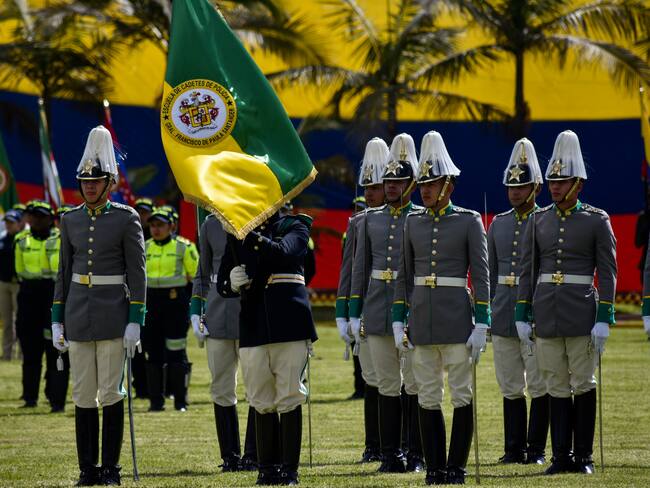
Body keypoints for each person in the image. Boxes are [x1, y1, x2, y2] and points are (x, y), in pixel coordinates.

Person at [515, 130, 617, 475]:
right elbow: (528, 270)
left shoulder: (596, 220)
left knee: (583, 383)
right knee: (555, 383)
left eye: (563, 181)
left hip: (580, 312)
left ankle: (583, 456)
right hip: (546, 311)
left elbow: (608, 270)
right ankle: (560, 456)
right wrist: (522, 312)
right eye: (553, 181)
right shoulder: (538, 219)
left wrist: (605, 316)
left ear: (578, 183)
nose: (555, 187)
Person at [392, 131, 489, 485]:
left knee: (461, 394)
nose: (425, 190)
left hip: (456, 321)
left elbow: (480, 274)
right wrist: (397, 320)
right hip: (422, 321)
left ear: (448, 184)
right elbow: (404, 275)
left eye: (432, 183)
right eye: (422, 184)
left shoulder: (468, 220)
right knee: (428, 395)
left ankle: (456, 468)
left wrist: (483, 322)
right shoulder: (412, 222)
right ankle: (434, 468)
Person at [51, 125, 146, 486]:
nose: (89, 187)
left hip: (112, 314)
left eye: (96, 181)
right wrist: (57, 319)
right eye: (85, 182)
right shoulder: (69, 219)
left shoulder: (126, 218)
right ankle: (87, 469)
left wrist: (135, 318)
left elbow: (138, 274)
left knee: (110, 392)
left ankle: (110, 468)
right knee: (82, 393)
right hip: (78, 313)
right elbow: (63, 273)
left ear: (109, 183)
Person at [217, 210, 318, 485]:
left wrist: (246, 235)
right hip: (253, 323)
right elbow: (223, 282)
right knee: (260, 399)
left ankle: (289, 469)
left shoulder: (295, 225)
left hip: (289, 321)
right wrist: (231, 282)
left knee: (289, 396)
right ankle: (267, 469)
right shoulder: (237, 232)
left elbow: (285, 253)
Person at [348, 133, 424, 473]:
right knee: (387, 383)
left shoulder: (423, 218)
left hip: (415, 308)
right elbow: (359, 270)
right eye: (388, 181)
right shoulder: (369, 219)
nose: (391, 186)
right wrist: (351, 312)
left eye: (398, 181)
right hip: (378, 308)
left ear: (411, 183)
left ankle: (417, 451)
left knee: (418, 382)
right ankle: (391, 454)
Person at [488, 138, 549, 465]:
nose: (514, 192)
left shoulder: (546, 221)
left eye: (521, 186)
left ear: (535, 187)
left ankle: (536, 449)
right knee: (510, 383)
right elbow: (492, 272)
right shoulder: (498, 223)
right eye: (510, 186)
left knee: (538, 383)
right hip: (502, 312)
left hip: (536, 311)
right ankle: (514, 447)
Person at [335, 138, 389, 463]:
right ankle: (373, 445)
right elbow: (348, 272)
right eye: (366, 186)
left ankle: (404, 444)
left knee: (400, 380)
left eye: (376, 186)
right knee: (370, 378)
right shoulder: (357, 223)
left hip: (395, 312)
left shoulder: (408, 219)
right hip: (366, 309)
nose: (369, 192)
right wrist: (344, 313)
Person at [191, 213, 257, 471]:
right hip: (218, 315)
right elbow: (203, 272)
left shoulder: (256, 217)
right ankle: (229, 455)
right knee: (221, 386)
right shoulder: (210, 224)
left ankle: (253, 453)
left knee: (256, 387)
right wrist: (196, 310)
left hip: (250, 313)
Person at [14, 200, 68, 411]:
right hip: (28, 298)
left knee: (55, 351)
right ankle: (29, 397)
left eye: (41, 216)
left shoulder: (60, 241)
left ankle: (56, 400)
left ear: (50, 219)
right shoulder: (20, 241)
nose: (37, 220)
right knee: (30, 352)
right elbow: (19, 271)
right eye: (33, 216)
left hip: (52, 298)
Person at [143, 207, 198, 412]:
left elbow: (195, 278)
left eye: (160, 225)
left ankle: (180, 401)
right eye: (153, 225)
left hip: (175, 304)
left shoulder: (185, 247)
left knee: (176, 353)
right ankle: (156, 402)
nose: (156, 229)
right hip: (151, 305)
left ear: (172, 226)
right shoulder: (144, 247)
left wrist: (194, 307)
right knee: (153, 354)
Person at [1, 209, 24, 360]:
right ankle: (7, 353)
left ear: (19, 224)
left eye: (12, 222)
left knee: (21, 320)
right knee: (7, 321)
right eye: (7, 223)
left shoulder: (23, 240)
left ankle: (23, 353)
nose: (9, 225)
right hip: (3, 285)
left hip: (18, 285)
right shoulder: (1, 240)